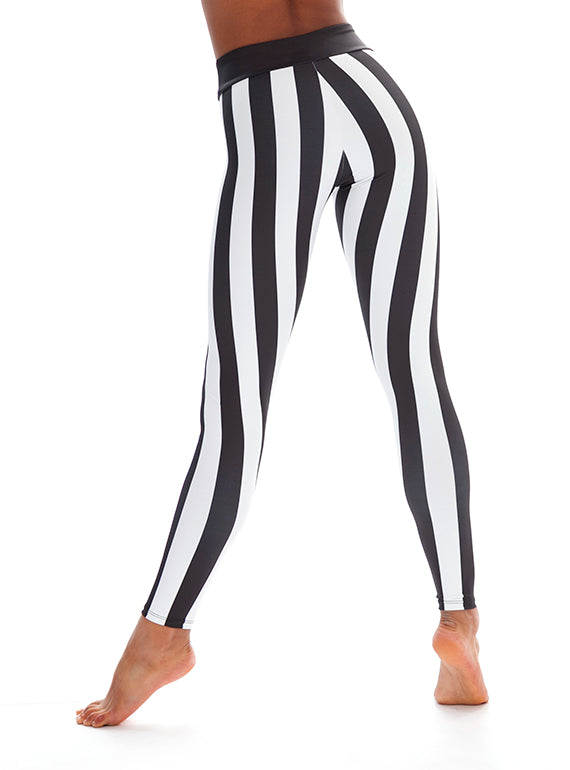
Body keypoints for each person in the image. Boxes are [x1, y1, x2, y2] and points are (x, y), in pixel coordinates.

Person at [76, 0, 488, 728]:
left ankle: (162, 634)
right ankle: (460, 620)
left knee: (234, 404)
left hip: (275, 107)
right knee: (416, 372)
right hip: (372, 92)